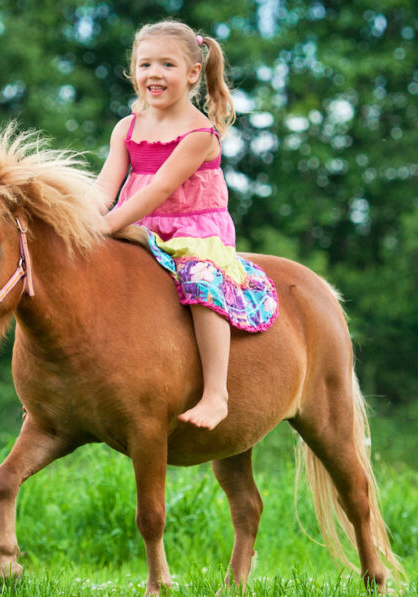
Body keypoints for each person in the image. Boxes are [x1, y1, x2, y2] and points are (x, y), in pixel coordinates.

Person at [88, 20, 278, 430]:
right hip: (139, 225)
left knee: (202, 280)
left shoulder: (199, 134)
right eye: (145, 65)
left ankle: (216, 394)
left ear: (193, 73)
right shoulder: (127, 127)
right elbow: (106, 184)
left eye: (167, 65)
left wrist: (107, 226)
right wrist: (82, 218)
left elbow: (157, 189)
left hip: (193, 231)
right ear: (133, 71)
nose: (154, 74)